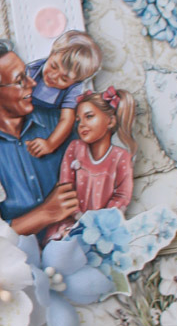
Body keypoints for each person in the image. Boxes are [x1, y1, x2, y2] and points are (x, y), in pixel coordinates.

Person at [0, 37, 79, 236]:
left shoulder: (59, 124)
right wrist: (45, 214)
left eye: (27, 74)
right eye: (20, 81)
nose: (32, 83)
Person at [0, 29, 101, 158]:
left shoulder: (74, 89)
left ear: (75, 82)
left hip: (50, 125)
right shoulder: (31, 70)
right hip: (22, 116)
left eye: (64, 79)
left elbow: (66, 120)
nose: (53, 76)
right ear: (51, 54)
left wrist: (50, 144)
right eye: (53, 66)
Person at [46, 87, 136, 241]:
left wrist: (100, 222)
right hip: (72, 222)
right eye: (78, 120)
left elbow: (122, 195)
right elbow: (66, 187)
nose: (81, 124)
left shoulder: (121, 156)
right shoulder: (75, 148)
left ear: (110, 121)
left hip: (104, 227)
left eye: (89, 116)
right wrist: (79, 217)